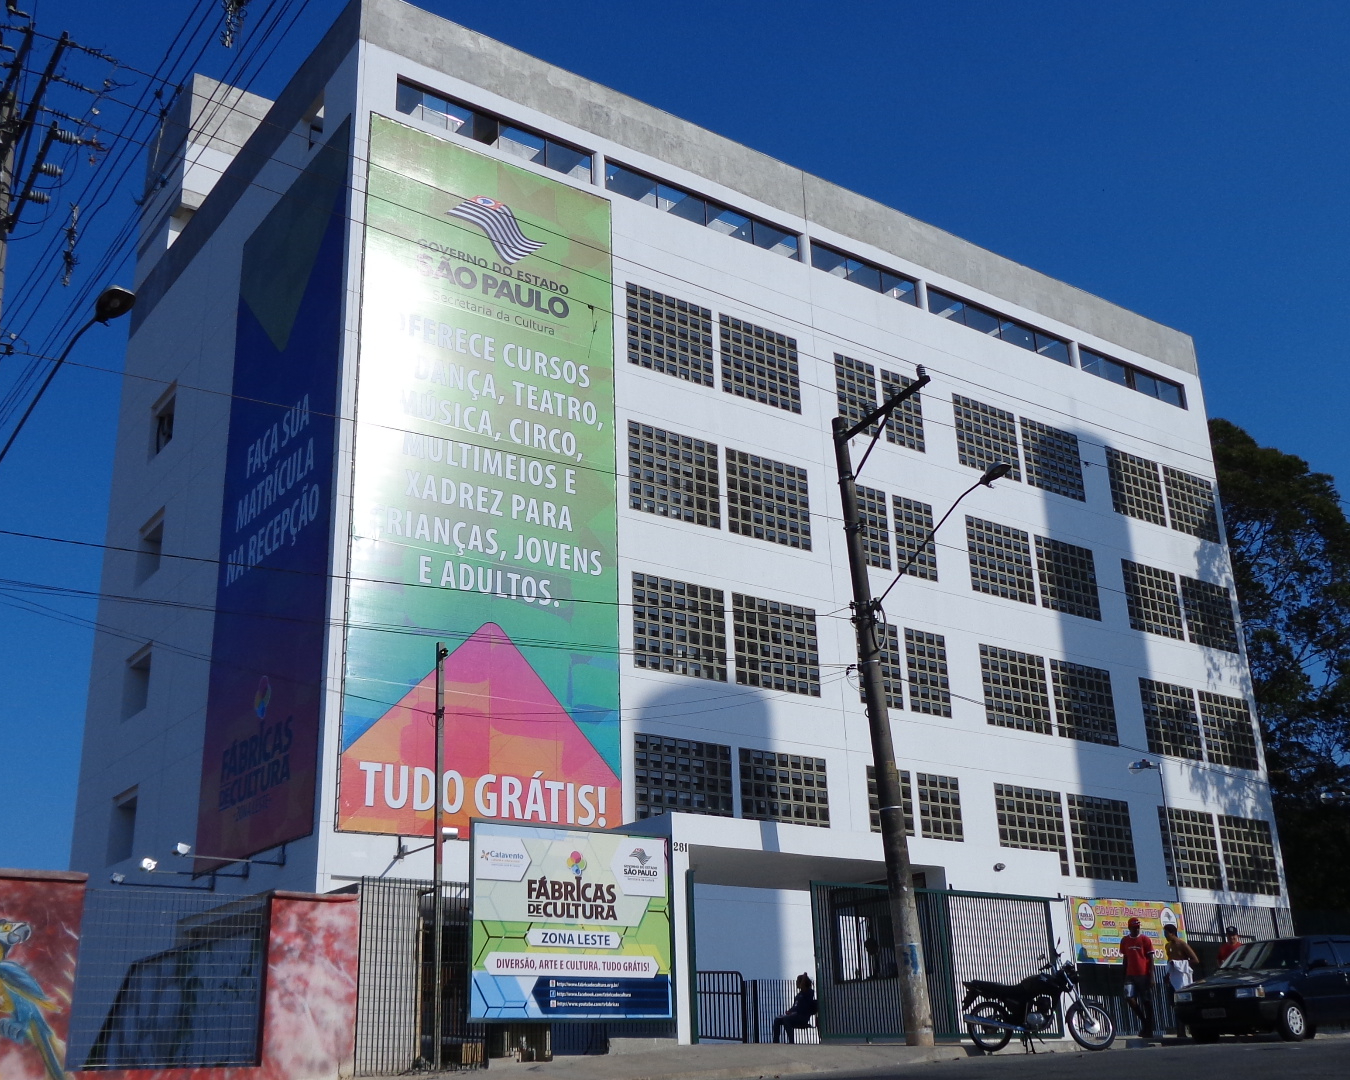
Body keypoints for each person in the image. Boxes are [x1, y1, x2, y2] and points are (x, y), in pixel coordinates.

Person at [1119, 917, 1156, 1039]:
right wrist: (1124, 975)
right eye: (1134, 927)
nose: (1137, 929)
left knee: (1146, 1001)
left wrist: (1151, 976)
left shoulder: (1145, 939)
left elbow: (1150, 959)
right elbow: (1125, 958)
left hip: (1143, 974)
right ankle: (1144, 1022)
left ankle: (1149, 1028)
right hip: (1130, 974)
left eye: (1138, 927)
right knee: (1129, 997)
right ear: (1129, 928)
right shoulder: (1125, 940)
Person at [1162, 924, 1201, 1034]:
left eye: (1166, 933)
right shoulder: (1168, 946)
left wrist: (1181, 964)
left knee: (1183, 1003)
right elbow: (1169, 962)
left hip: (1182, 978)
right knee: (1173, 1003)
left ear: (1172, 933)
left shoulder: (1182, 944)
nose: (1165, 936)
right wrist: (1167, 974)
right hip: (1172, 978)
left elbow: (1195, 960)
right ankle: (1180, 1029)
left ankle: (1185, 1029)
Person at [772, 973, 817, 1044]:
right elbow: (795, 1007)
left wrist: (804, 977)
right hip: (795, 1015)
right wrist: (789, 1011)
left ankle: (791, 1041)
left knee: (786, 1020)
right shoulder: (798, 995)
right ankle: (776, 1041)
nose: (796, 983)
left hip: (802, 1017)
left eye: (797, 981)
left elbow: (803, 987)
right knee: (777, 1020)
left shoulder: (808, 993)